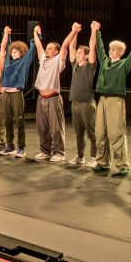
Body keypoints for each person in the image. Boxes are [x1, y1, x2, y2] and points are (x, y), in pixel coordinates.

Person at [91, 22, 131, 177]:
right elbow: (99, 48)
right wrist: (96, 32)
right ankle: (102, 162)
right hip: (102, 99)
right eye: (111, 49)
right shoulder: (105, 63)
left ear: (120, 53)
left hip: (116, 100)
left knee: (116, 133)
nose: (111, 51)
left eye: (115, 50)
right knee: (100, 132)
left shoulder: (124, 64)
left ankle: (122, 165)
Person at [31, 23, 80, 163]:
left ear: (56, 52)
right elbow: (39, 46)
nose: (47, 50)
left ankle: (59, 152)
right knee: (42, 127)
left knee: (56, 127)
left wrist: (73, 31)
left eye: (50, 48)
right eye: (47, 48)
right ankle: (45, 151)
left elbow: (65, 45)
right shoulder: (43, 60)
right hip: (41, 98)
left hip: (53, 98)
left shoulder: (58, 61)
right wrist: (35, 32)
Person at [0, 28, 37, 158]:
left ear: (22, 52)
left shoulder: (24, 61)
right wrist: (6, 34)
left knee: (19, 121)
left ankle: (21, 147)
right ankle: (10, 146)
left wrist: (36, 34)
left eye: (16, 52)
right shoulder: (8, 61)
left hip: (16, 94)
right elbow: (6, 44)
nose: (13, 54)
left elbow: (33, 50)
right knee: (7, 121)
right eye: (12, 52)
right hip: (6, 94)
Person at [68, 26, 98, 167]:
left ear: (86, 56)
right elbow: (71, 47)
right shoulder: (75, 65)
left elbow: (92, 48)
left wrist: (93, 31)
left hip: (87, 103)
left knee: (92, 133)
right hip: (75, 103)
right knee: (78, 133)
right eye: (78, 52)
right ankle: (80, 157)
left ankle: (94, 157)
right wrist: (75, 31)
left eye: (81, 53)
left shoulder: (90, 66)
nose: (78, 54)